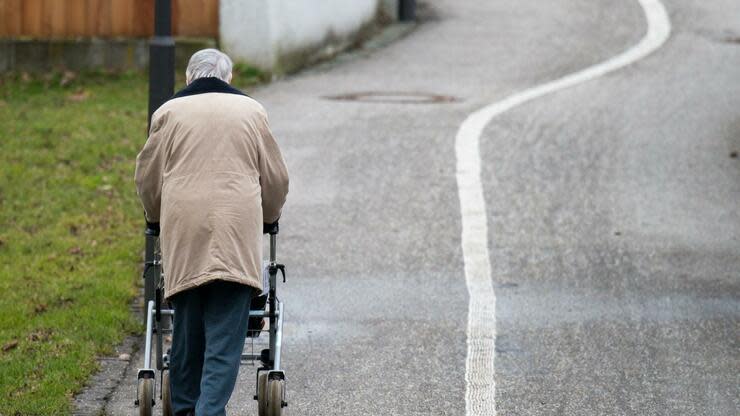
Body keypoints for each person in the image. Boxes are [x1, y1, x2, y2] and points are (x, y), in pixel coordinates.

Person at [134, 48, 289, 416]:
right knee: (224, 338)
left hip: (185, 232)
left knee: (186, 333)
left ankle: (186, 409)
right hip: (235, 231)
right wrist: (268, 217)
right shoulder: (252, 112)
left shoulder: (168, 113)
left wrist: (155, 217)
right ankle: (209, 411)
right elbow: (277, 179)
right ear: (229, 77)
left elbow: (147, 177)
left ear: (189, 79)